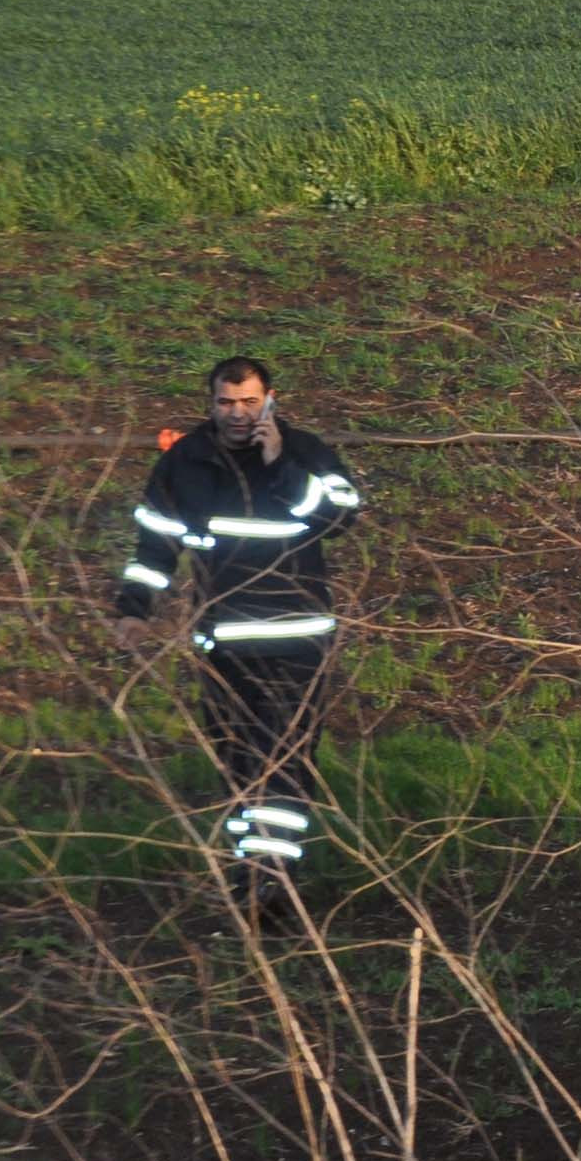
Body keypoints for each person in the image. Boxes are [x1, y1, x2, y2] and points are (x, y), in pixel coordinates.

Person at [109, 356, 363, 891]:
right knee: (238, 760)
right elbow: (155, 543)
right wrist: (134, 610)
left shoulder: (303, 453)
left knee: (284, 757)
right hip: (223, 644)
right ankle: (250, 868)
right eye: (227, 403)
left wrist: (281, 466)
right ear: (211, 403)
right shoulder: (185, 462)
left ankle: (271, 877)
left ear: (271, 400)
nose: (238, 414)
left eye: (249, 402)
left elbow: (342, 516)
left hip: (295, 640)